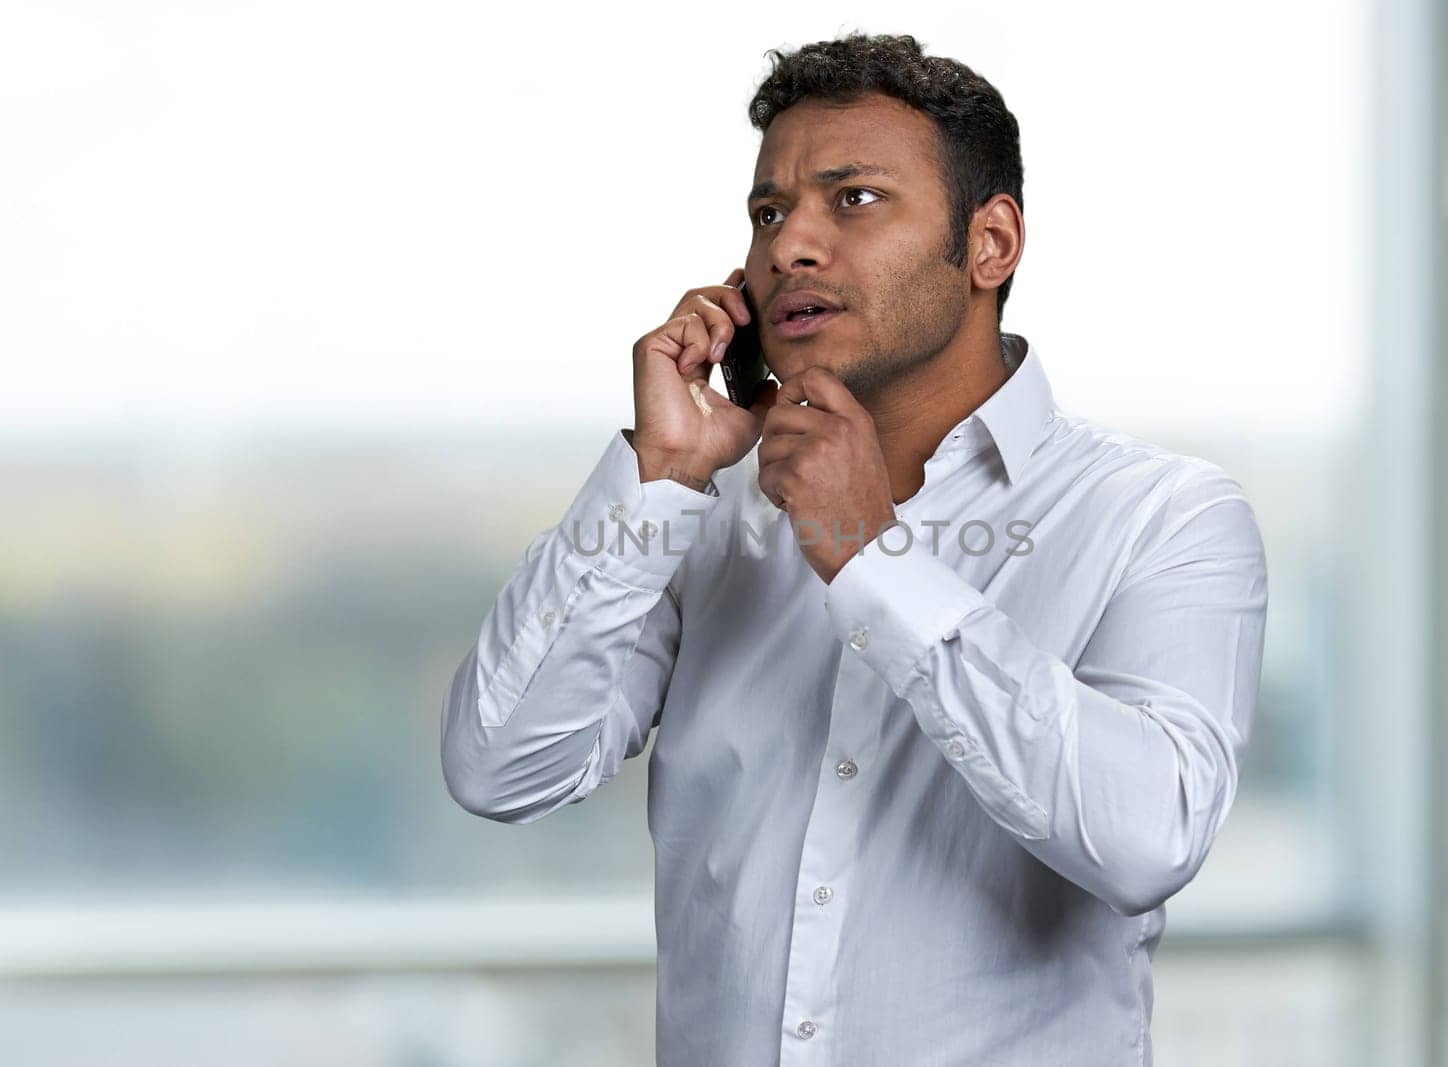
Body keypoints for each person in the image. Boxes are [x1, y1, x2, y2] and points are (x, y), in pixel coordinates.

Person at [440, 31, 1268, 1067]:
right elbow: (502, 764)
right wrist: (659, 479)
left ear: (990, 244)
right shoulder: (701, 515)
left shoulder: (1165, 517)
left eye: (855, 198)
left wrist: (870, 560)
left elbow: (1147, 838)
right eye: (768, 211)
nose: (790, 245)